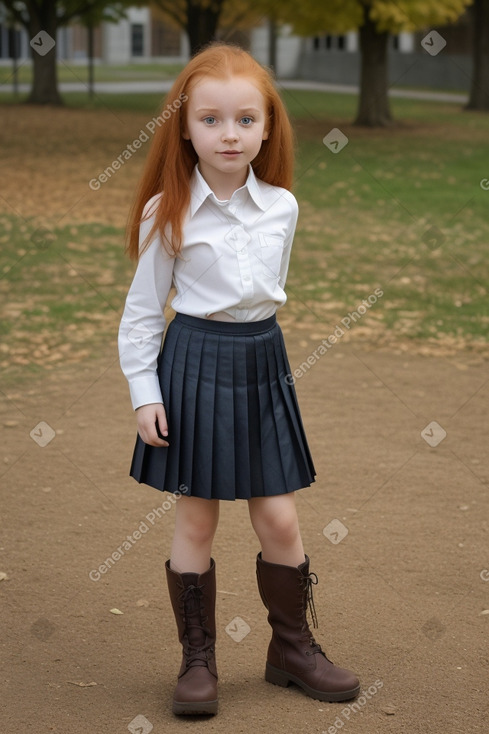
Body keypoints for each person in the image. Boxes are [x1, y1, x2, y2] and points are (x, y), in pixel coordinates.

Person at [118, 41, 359, 717]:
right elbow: (141, 315)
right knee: (195, 519)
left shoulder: (281, 207)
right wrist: (146, 392)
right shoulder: (167, 209)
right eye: (211, 120)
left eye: (246, 120)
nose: (229, 134)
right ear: (185, 127)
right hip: (192, 362)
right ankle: (197, 662)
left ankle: (291, 649)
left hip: (261, 362)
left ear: (267, 126)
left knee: (279, 517)